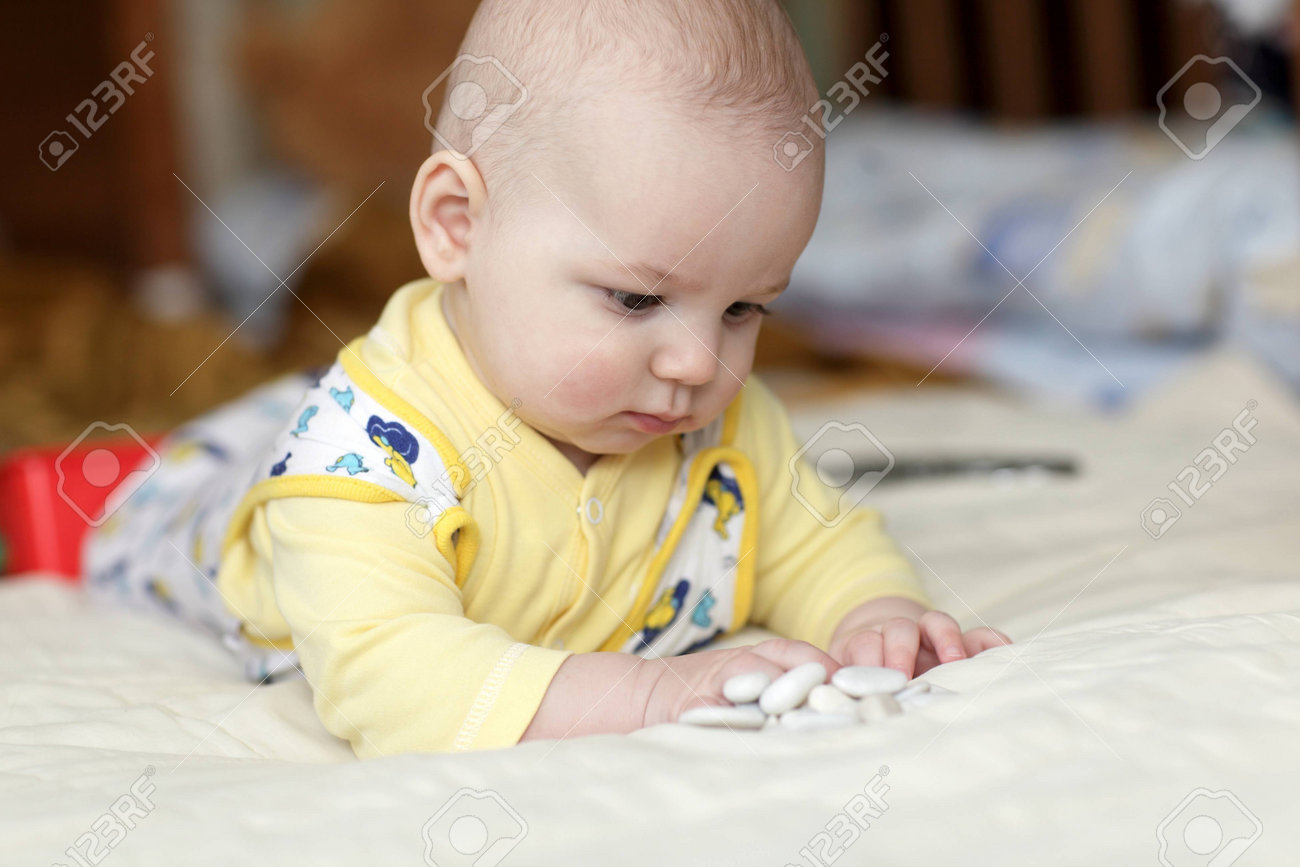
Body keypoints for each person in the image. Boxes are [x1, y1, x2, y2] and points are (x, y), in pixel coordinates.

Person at [86, 0, 1011, 757]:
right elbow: (389, 679)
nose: (699, 363)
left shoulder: (722, 425)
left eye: (744, 308)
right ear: (457, 224)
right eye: (637, 299)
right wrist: (648, 692)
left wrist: (878, 614)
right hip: (212, 515)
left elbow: (810, 543)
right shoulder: (356, 463)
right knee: (159, 486)